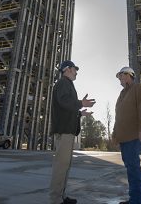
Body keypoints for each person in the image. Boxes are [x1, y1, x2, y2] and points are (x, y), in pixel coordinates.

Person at [49, 60, 96, 204]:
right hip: (64, 131)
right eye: (75, 69)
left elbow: (68, 108)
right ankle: (55, 199)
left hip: (67, 130)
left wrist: (81, 113)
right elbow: (64, 102)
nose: (76, 72)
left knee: (65, 165)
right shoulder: (63, 83)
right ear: (67, 69)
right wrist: (81, 103)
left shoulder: (67, 84)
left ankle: (61, 196)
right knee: (61, 165)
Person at [112, 66, 141, 204]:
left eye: (121, 75)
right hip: (123, 137)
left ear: (129, 75)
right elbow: (118, 117)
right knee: (130, 168)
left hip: (134, 135)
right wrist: (115, 135)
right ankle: (134, 199)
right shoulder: (121, 94)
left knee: (133, 167)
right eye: (119, 77)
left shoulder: (138, 88)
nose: (120, 79)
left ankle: (137, 201)